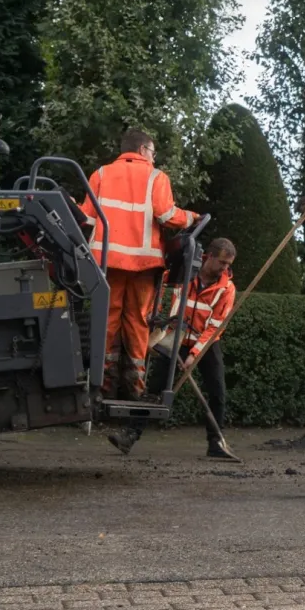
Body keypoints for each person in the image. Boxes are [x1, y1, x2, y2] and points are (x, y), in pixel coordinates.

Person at [77, 130, 197, 411]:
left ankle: (102, 386)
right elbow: (167, 215)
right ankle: (135, 389)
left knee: (107, 320)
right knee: (137, 322)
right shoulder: (156, 177)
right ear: (143, 150)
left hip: (106, 263)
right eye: (153, 152)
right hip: (143, 265)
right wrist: (192, 216)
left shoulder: (101, 174)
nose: (154, 158)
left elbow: (85, 216)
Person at [111, 238, 238, 458]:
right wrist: (155, 316)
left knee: (217, 392)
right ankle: (129, 436)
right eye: (222, 263)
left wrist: (194, 355)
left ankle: (216, 443)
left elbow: (215, 328)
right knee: (154, 390)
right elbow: (157, 291)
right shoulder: (182, 277)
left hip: (206, 345)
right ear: (209, 257)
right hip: (175, 339)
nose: (225, 268)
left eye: (228, 264)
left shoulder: (227, 288)